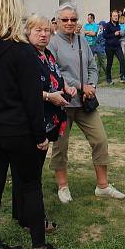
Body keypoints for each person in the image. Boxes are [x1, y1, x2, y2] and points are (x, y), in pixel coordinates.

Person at [0, 0, 61, 249]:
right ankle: (39, 248)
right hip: (18, 130)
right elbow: (31, 99)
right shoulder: (22, 52)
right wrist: (40, 135)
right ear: (14, 15)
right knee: (31, 185)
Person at [49, 3, 125, 203]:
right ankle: (63, 186)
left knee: (100, 139)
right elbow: (57, 72)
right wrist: (82, 85)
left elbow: (92, 66)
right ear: (57, 21)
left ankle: (102, 185)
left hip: (85, 102)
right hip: (63, 103)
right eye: (64, 20)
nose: (69, 23)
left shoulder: (83, 41)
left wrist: (90, 86)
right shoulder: (52, 44)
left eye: (73, 19)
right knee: (60, 146)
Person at [16, 14, 75, 234]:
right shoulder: (27, 55)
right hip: (32, 123)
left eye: (46, 31)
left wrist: (66, 87)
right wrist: (50, 97)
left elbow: (54, 77)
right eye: (38, 30)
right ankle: (31, 218)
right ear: (28, 32)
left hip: (47, 122)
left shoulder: (46, 54)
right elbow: (23, 90)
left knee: (31, 171)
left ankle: (22, 213)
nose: (43, 34)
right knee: (29, 175)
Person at [100, 10, 125, 85]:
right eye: (114, 16)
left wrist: (120, 34)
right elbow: (104, 36)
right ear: (111, 17)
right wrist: (114, 34)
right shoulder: (107, 25)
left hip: (117, 46)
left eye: (117, 16)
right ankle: (108, 79)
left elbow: (118, 36)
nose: (116, 17)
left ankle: (122, 76)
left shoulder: (118, 25)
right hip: (109, 47)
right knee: (110, 63)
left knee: (122, 59)